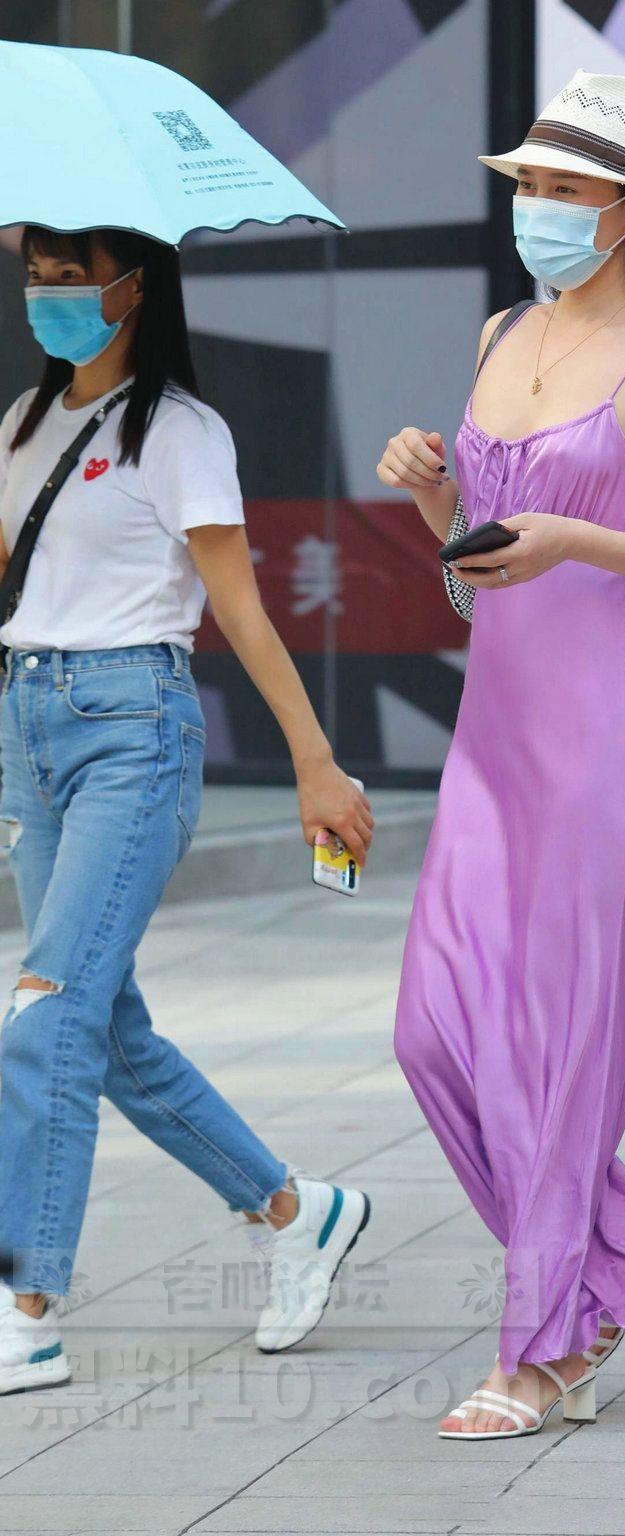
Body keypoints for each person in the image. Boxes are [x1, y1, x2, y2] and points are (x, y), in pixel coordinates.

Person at [377, 70, 625, 1439]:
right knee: (431, 1033)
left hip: (601, 747)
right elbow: (476, 573)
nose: (536, 208)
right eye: (526, 185)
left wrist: (582, 539)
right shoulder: (501, 331)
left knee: (556, 1053)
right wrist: (436, 493)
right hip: (492, 747)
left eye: (563, 188)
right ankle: (623, 1262)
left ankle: (538, 1352)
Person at [0, 225, 375, 1397]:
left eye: (71, 279)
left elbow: (242, 612)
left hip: (133, 729)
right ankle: (296, 1211)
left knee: (45, 1016)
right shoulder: (21, 421)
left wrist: (316, 762)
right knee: (104, 1029)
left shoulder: (179, 431)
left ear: (133, 288)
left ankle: (26, 1308)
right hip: (29, 722)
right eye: (36, 278)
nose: (47, 297)